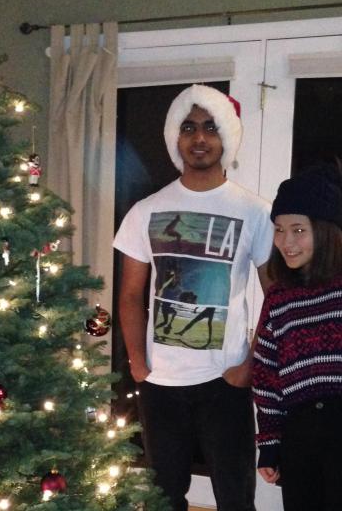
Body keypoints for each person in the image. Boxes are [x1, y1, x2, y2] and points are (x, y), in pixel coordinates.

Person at [114, 84, 273, 511]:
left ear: (226, 137)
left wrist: (249, 365)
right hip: (161, 383)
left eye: (209, 127)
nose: (199, 138)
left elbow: (277, 297)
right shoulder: (146, 210)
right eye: (188, 127)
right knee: (164, 497)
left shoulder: (255, 211)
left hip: (225, 381)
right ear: (175, 137)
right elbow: (130, 296)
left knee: (235, 495)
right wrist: (138, 364)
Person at [252, 165, 342, 511]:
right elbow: (266, 376)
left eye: (298, 230)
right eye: (279, 230)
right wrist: (270, 444)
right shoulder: (279, 299)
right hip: (300, 438)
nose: (286, 242)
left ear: (325, 231)